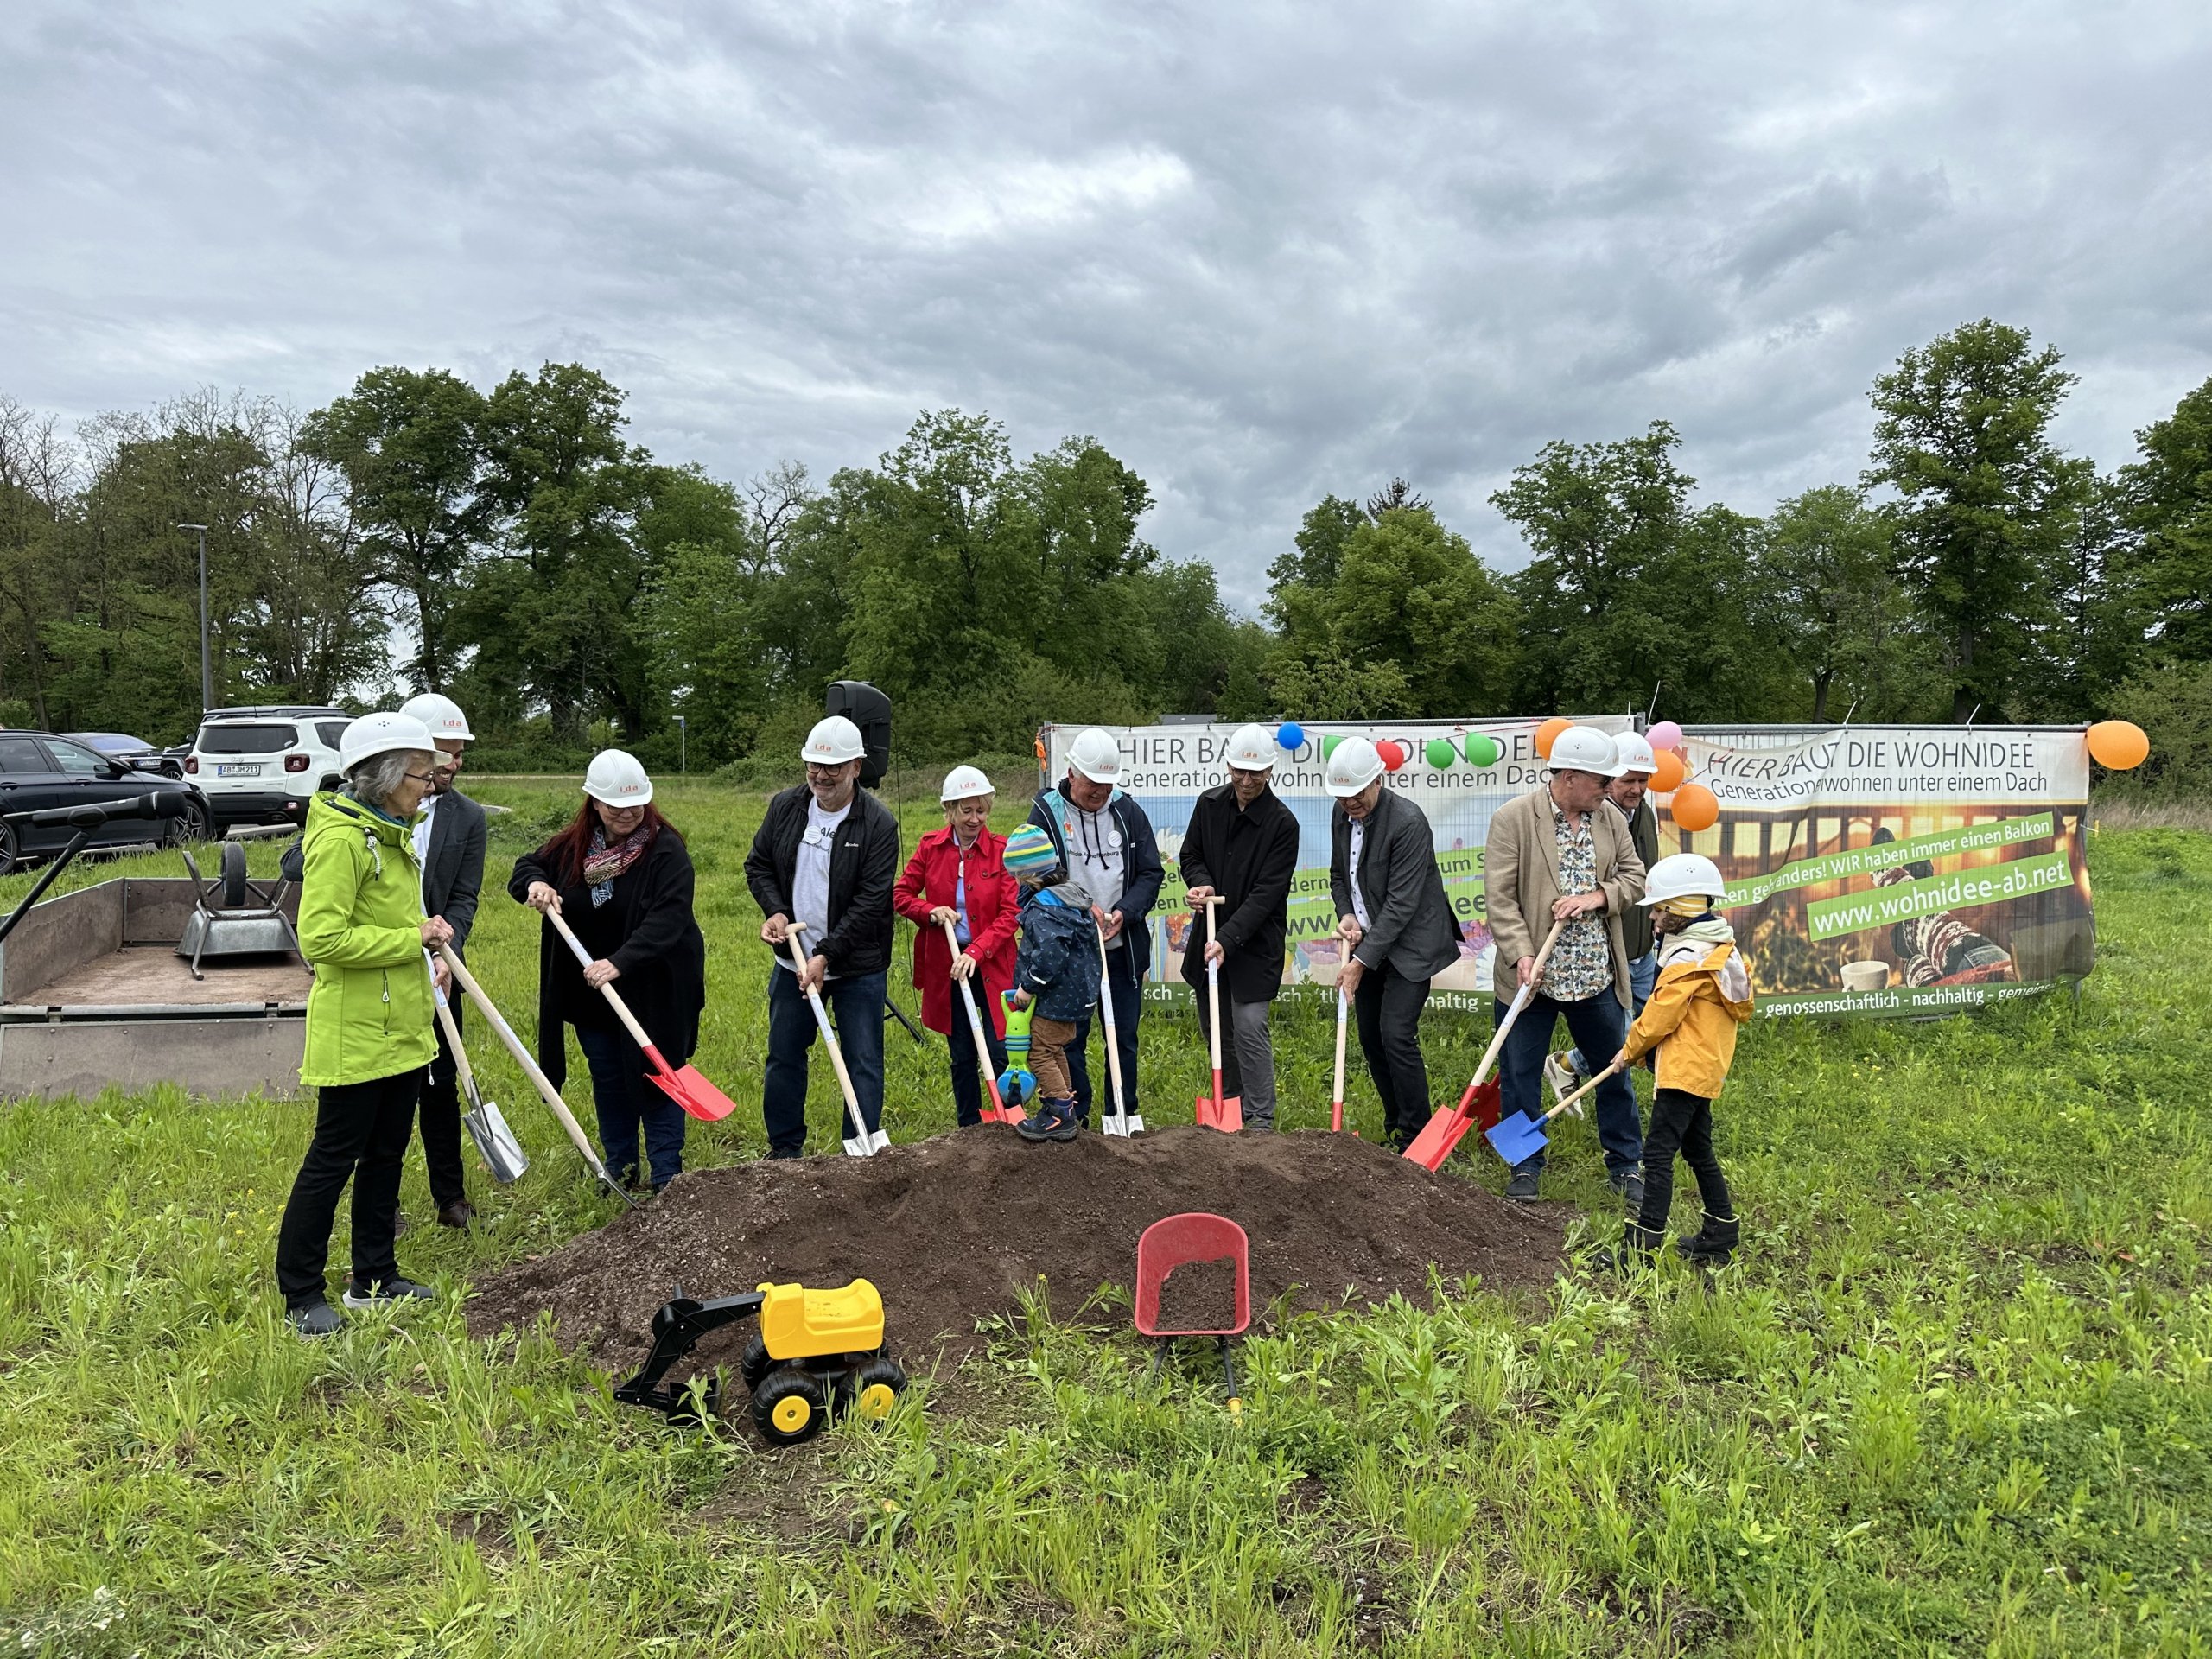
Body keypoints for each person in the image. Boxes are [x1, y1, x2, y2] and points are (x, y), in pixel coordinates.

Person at [275, 711, 448, 1338]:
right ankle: (300, 1292)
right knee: (333, 1159)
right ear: (383, 778)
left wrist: (425, 949)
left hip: (401, 1028)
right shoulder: (345, 840)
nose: (429, 786)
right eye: (421, 776)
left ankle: (373, 1278)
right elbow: (321, 938)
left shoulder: (390, 831)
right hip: (355, 1032)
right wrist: (415, 937)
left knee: (386, 1155)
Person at [512, 750, 706, 1192]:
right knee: (609, 1076)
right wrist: (536, 884)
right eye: (616, 805)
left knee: (661, 1075)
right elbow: (528, 865)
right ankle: (619, 1167)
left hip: (655, 986)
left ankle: (666, 1175)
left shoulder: (666, 850)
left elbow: (669, 919)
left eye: (635, 803)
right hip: (592, 993)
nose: (627, 813)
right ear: (594, 804)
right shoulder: (575, 846)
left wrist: (620, 962)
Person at [1485, 724, 1648, 1204]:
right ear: (1571, 775)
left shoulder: (1610, 820)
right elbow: (1500, 899)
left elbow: (1634, 878)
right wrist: (1522, 953)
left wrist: (1597, 896)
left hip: (1593, 973)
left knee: (1612, 1069)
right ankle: (1524, 1166)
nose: (1608, 790)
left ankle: (1625, 1163)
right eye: (1601, 781)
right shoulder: (1514, 819)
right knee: (1519, 1075)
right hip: (1531, 978)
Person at [746, 715, 900, 1157]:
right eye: (814, 765)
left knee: (863, 1062)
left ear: (856, 767)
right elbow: (758, 865)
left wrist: (827, 954)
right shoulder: (785, 807)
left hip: (857, 967)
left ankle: (861, 1147)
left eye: (833, 767)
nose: (821, 775)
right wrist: (775, 910)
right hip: (792, 962)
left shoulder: (878, 824)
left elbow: (872, 902)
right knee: (784, 1057)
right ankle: (784, 1150)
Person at [1611, 853, 1753, 1265]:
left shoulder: (1686, 959)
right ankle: (1721, 1232)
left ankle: (1644, 1243)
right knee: (1697, 1149)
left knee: (1656, 1154)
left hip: (1685, 1070)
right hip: (1702, 1065)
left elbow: (1658, 1016)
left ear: (1679, 909)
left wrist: (1629, 1050)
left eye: (1659, 909)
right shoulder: (1715, 944)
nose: (1653, 917)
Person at [1326, 736, 1462, 1152]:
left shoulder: (1407, 822)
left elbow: (1403, 904)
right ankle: (1395, 1128)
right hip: (1371, 940)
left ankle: (1416, 1136)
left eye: (1358, 794)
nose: (1351, 803)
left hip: (1411, 944)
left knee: (1396, 1033)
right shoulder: (1340, 814)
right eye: (1343, 796)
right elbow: (1339, 876)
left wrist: (1360, 962)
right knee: (1370, 1035)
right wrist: (1346, 914)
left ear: (1378, 781)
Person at [1026, 727, 1163, 1128]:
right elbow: (1034, 877)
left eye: (1107, 783)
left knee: (1123, 1039)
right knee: (1070, 1040)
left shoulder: (1128, 812)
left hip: (1122, 949)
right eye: (1092, 783)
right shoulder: (1046, 812)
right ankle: (1078, 1117)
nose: (1100, 791)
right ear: (1072, 774)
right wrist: (1076, 912)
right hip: (1070, 957)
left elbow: (1151, 873)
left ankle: (1122, 1113)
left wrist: (1125, 911)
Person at [1179, 723, 1300, 1129]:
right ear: (1228, 766)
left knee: (1248, 1028)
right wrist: (1199, 883)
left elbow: (1268, 894)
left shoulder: (1283, 824)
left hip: (1254, 944)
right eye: (1239, 771)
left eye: (1256, 773)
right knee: (1217, 1031)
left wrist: (1229, 939)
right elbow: (1190, 855)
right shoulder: (1208, 805)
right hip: (1209, 937)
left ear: (1270, 771)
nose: (1246, 781)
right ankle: (1230, 1111)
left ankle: (1260, 1119)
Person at [397, 690, 487, 1229]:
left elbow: (464, 897)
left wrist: (450, 953)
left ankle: (449, 1196)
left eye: (458, 753)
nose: (454, 763)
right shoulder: (366, 807)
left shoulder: (468, 817)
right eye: (444, 752)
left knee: (442, 1081)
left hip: (441, 966)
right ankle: (380, 1203)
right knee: (388, 1091)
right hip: (384, 967)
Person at [893, 764, 1019, 1127]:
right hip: (947, 965)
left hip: (991, 964)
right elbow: (901, 895)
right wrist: (931, 911)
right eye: (967, 810)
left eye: (981, 810)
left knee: (1000, 1049)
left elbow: (1011, 913)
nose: (975, 818)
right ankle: (969, 1128)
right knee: (962, 1053)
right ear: (949, 810)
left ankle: (1009, 1118)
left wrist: (976, 952)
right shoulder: (931, 848)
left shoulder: (1002, 851)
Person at [1549, 728, 1661, 1098]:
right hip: (1614, 949)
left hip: (1643, 944)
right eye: (1628, 780)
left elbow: (1641, 876)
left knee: (1648, 1022)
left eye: (1643, 781)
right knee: (1620, 1036)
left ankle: (1568, 1066)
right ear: (1610, 779)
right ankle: (1570, 1068)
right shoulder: (1599, 819)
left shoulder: (1642, 814)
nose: (1636, 789)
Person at [1000, 824, 1102, 1143]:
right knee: (1055, 1048)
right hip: (1077, 996)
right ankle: (1064, 1106)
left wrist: (1028, 986)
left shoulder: (1045, 909)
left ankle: (1057, 1112)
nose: (1015, 882)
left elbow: (1048, 956)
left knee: (1038, 1051)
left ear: (1027, 875)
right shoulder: (1069, 897)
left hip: (1055, 996)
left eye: (1016, 876)